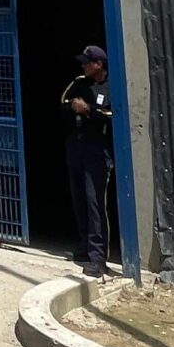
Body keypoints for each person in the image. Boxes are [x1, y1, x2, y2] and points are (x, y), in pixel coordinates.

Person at [59, 43, 116, 278]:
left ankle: (98, 256)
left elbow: (112, 115)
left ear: (99, 64)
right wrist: (75, 109)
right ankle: (84, 246)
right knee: (79, 197)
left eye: (87, 62)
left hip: (97, 148)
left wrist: (88, 110)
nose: (83, 65)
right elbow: (64, 102)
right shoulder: (79, 82)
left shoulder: (111, 86)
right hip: (77, 144)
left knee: (95, 202)